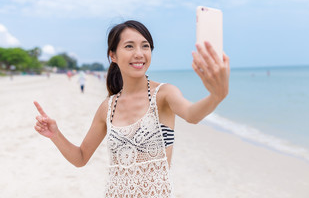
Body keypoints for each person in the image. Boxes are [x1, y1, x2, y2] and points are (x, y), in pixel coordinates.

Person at [34, 20, 230, 197]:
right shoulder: (107, 107)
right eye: (129, 46)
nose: (139, 53)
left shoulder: (163, 94)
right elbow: (81, 157)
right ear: (113, 55)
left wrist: (216, 96)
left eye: (145, 46)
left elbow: (192, 114)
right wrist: (56, 134)